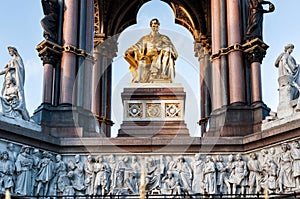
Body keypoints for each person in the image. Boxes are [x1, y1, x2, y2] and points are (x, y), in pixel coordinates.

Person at [125, 18, 178, 83]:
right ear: (151, 26)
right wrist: (130, 50)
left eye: (157, 26)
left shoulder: (164, 38)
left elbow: (173, 50)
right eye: (153, 26)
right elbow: (137, 46)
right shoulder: (145, 38)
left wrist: (166, 46)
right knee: (142, 62)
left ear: (159, 26)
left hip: (160, 58)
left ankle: (163, 74)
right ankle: (139, 79)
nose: (155, 27)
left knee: (167, 50)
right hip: (147, 59)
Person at [0, 46, 30, 120]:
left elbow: (20, 68)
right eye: (9, 52)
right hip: (10, 76)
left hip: (15, 76)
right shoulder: (10, 61)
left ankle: (18, 112)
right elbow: (6, 70)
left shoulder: (18, 59)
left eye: (11, 51)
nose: (10, 53)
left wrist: (12, 68)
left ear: (14, 51)